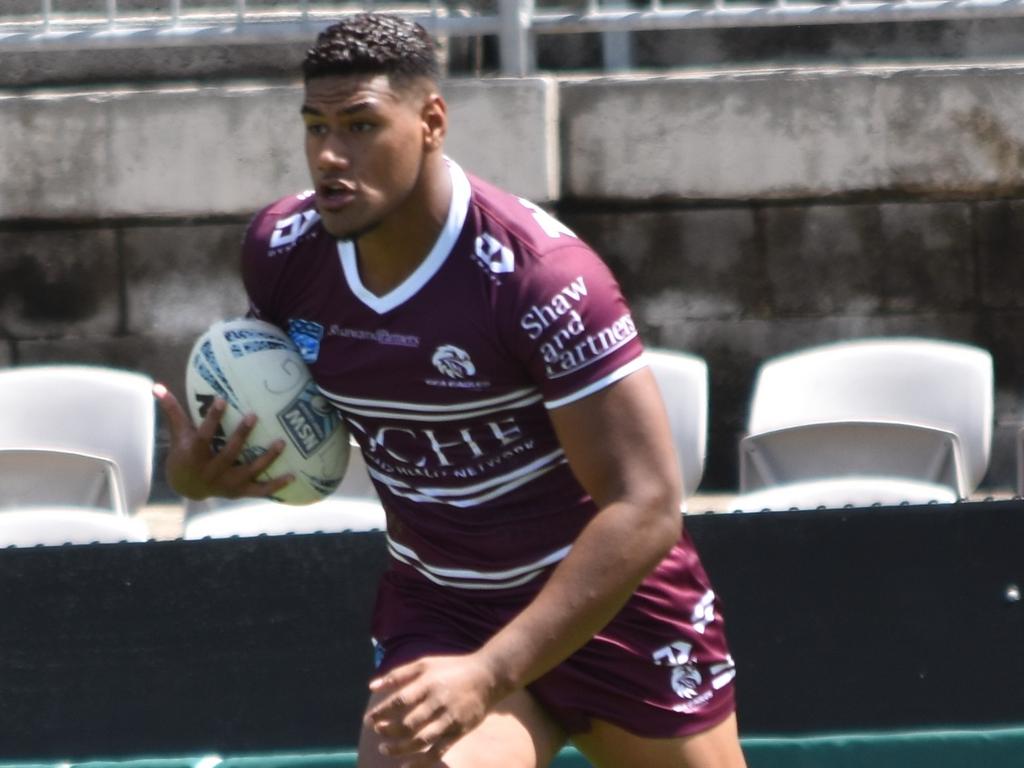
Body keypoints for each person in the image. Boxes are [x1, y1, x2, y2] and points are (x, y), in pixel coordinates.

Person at [155, 12, 747, 768]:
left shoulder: (541, 280)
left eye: (361, 125)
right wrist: (202, 473)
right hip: (445, 606)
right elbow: (289, 419)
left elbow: (648, 503)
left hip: (608, 610)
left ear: (432, 120)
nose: (330, 155)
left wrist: (493, 671)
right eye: (314, 126)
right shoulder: (282, 253)